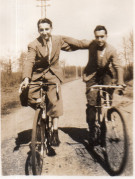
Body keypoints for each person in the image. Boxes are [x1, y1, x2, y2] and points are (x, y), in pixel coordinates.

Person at [20, 18, 89, 147]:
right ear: (38, 30)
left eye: (47, 29)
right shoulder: (33, 45)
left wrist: (94, 44)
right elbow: (29, 61)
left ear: (51, 29)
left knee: (55, 101)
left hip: (53, 75)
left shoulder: (58, 40)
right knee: (28, 96)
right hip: (38, 75)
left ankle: (55, 132)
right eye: (41, 29)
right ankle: (41, 114)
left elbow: (77, 44)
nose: (44, 32)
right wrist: (26, 78)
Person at [63, 25, 124, 146]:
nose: (100, 39)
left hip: (106, 75)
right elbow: (78, 43)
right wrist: (61, 38)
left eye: (102, 37)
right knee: (92, 103)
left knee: (107, 103)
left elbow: (117, 66)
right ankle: (92, 130)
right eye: (97, 37)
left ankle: (104, 128)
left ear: (106, 36)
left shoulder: (111, 50)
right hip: (92, 75)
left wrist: (120, 82)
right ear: (94, 37)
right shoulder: (91, 44)